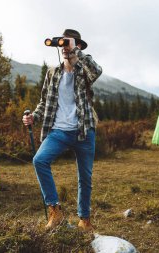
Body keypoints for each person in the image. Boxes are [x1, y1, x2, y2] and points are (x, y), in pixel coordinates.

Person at [22, 29, 102, 232]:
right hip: (59, 130)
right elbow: (44, 102)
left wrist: (76, 52)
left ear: (78, 45)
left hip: (84, 131)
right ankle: (55, 211)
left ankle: (84, 220)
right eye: (62, 44)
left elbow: (97, 71)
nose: (64, 47)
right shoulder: (53, 73)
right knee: (40, 160)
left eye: (68, 43)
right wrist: (34, 117)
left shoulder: (84, 70)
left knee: (85, 177)